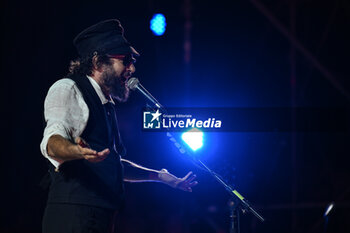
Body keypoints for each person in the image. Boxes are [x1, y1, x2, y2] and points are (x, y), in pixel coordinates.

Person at [40, 19, 198, 233]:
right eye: (124, 60)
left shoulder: (106, 103)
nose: (131, 68)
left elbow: (113, 162)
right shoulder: (68, 88)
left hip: (102, 216)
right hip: (74, 216)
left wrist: (159, 176)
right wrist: (75, 150)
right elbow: (52, 142)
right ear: (97, 62)